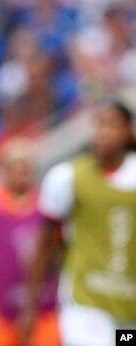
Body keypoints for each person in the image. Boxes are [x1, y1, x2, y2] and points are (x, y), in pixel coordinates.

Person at [23, 102, 136, 346]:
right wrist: (31, 306)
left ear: (129, 131)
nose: (103, 132)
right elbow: (44, 245)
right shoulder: (66, 177)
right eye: (99, 124)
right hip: (86, 304)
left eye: (113, 124)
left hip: (129, 311)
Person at [0, 138, 59, 346]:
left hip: (45, 308)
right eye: (16, 168)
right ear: (3, 171)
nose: (22, 174)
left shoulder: (46, 207)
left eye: (26, 168)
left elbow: (58, 250)